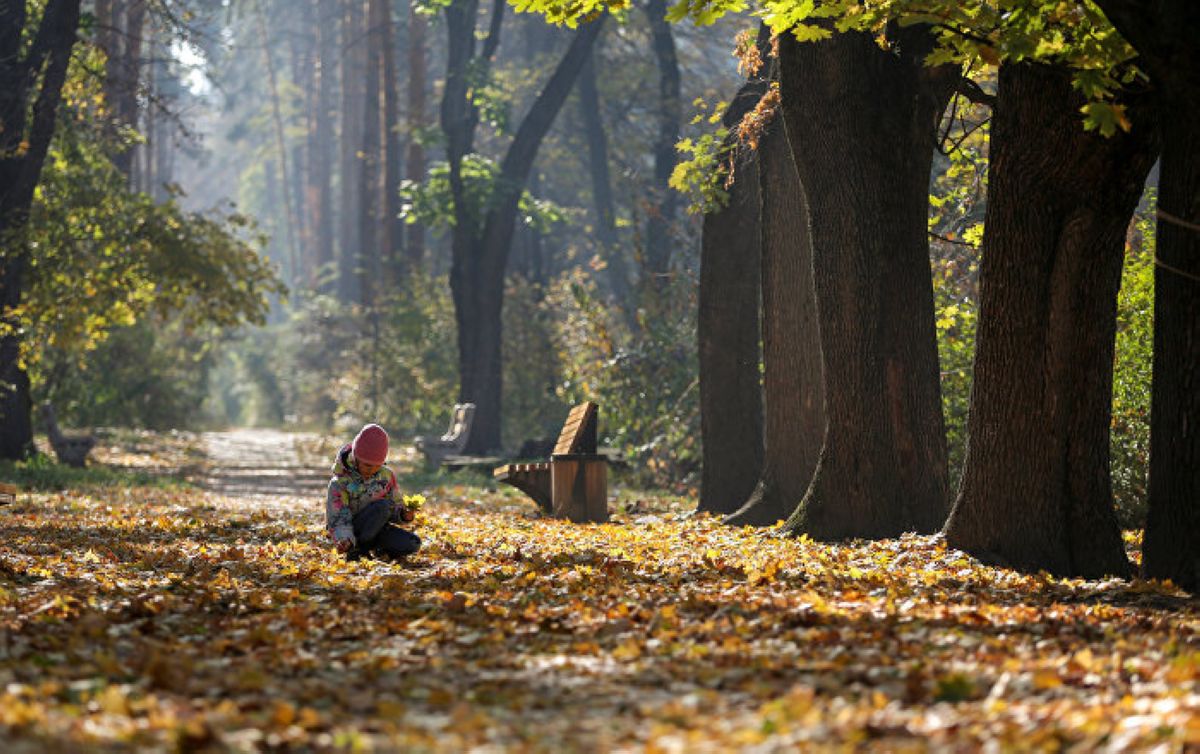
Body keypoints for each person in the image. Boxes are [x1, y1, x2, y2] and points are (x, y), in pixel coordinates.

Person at [325, 423, 421, 560]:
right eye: (368, 465)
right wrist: (344, 539)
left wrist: (404, 514)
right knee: (382, 506)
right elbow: (338, 518)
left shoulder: (386, 476)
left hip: (377, 530)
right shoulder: (340, 482)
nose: (373, 470)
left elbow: (394, 506)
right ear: (356, 458)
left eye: (378, 465)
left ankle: (378, 549)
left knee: (413, 543)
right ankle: (356, 549)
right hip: (352, 530)